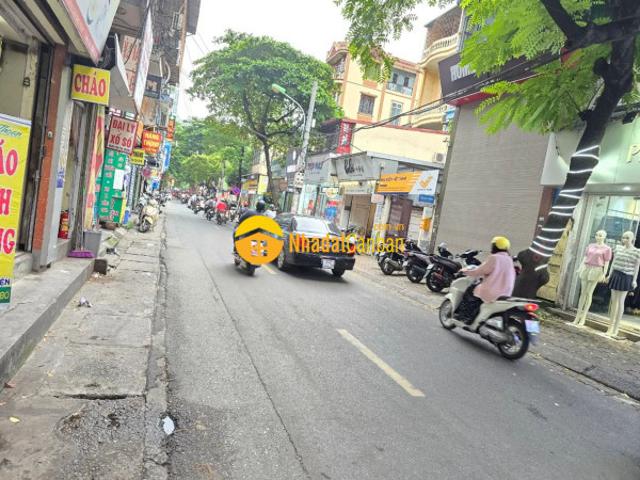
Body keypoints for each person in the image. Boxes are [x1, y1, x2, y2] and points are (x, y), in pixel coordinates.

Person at [455, 236, 516, 324]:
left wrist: (464, 271)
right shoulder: (509, 259)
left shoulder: (494, 258)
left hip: (492, 291)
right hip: (506, 293)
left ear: (495, 246)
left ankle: (465, 316)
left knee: (470, 291)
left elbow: (480, 271)